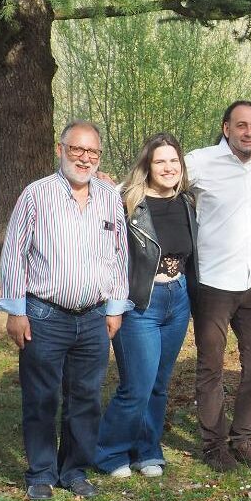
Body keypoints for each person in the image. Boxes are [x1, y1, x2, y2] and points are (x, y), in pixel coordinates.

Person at [0, 120, 129, 500]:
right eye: (77, 149)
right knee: (41, 397)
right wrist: (16, 310)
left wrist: (115, 308)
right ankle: (40, 472)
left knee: (85, 399)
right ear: (61, 150)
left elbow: (119, 256)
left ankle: (74, 469)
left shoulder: (108, 197)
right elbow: (14, 254)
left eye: (93, 152)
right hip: (44, 316)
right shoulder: (36, 195)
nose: (85, 158)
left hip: (93, 318)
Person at [185, 100, 251, 472]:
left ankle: (243, 439)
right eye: (241, 125)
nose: (249, 132)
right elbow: (159, 170)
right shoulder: (201, 161)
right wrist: (111, 184)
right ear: (227, 128)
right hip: (214, 283)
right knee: (210, 367)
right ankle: (214, 445)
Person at [96, 132, 197, 479]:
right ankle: (109, 452)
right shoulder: (127, 202)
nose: (168, 167)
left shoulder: (187, 201)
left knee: (159, 383)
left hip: (178, 298)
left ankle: (147, 450)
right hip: (141, 301)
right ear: (148, 166)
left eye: (173, 160)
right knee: (136, 386)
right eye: (160, 161)